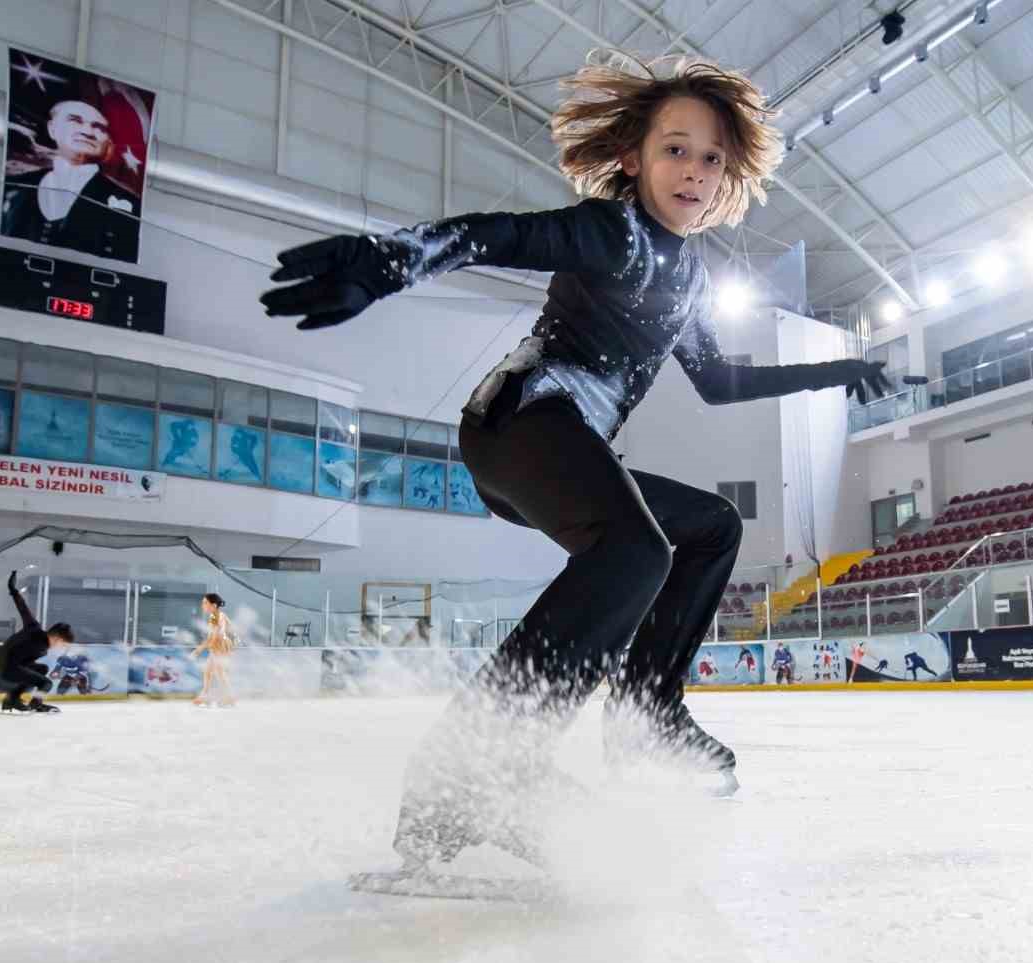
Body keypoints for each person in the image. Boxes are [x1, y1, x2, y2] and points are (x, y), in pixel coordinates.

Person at [261, 54, 890, 872]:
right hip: (521, 422)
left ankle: (644, 716)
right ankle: (467, 776)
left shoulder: (688, 274)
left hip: (564, 449)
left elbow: (723, 381)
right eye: (675, 150)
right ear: (633, 157)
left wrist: (838, 368)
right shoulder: (612, 232)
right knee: (636, 552)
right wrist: (390, 262)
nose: (693, 173)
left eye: (710, 159)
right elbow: (497, 234)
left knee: (708, 529)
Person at [1, 98, 141, 261]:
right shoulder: (13, 187)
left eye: (99, 127)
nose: (87, 132)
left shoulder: (132, 207)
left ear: (108, 142)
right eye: (75, 120)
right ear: (52, 129)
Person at [0, 571, 73, 713]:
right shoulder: (34, 629)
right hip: (5, 667)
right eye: (63, 644)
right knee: (46, 683)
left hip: (9, 665)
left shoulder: (42, 643)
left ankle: (10, 699)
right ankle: (36, 703)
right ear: (57, 638)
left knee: (42, 669)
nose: (61, 647)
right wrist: (13, 590)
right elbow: (23, 608)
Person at [191, 593, 237, 707]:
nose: (203, 605)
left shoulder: (219, 616)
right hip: (217, 646)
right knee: (208, 671)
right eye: (203, 602)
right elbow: (212, 636)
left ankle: (229, 698)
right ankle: (205, 696)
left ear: (214, 605)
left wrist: (199, 649)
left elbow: (218, 634)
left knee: (220, 673)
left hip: (221, 646)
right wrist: (201, 648)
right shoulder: (214, 616)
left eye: (205, 602)